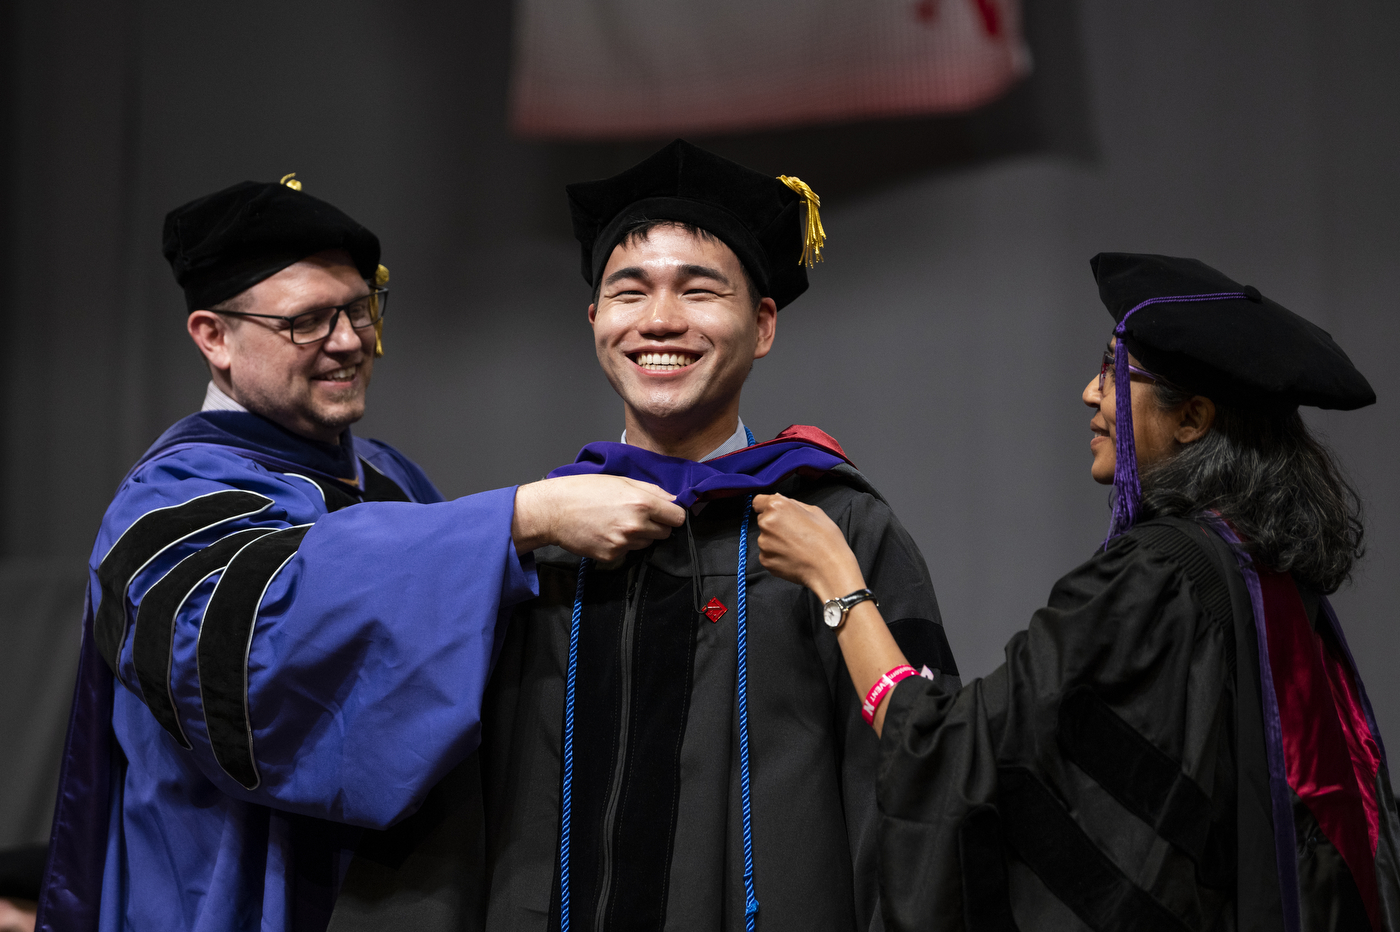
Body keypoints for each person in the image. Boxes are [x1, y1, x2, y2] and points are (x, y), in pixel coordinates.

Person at [36, 176, 686, 932]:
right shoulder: (169, 500)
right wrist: (520, 517)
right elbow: (259, 663)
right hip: (232, 895)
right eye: (308, 320)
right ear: (213, 336)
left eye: (359, 306)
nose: (349, 341)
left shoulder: (386, 476)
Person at [753, 252, 1400, 931]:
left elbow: (955, 752)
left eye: (1114, 373)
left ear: (1193, 419)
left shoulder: (1157, 579)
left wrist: (839, 582)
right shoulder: (1261, 578)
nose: (1090, 394)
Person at [442, 140, 957, 932]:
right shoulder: (538, 537)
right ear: (594, 321)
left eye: (699, 290)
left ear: (762, 325)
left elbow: (916, 785)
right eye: (629, 291)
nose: (659, 320)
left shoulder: (834, 526)